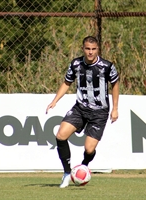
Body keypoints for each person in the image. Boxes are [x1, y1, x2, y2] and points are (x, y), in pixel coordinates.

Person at [46, 36, 120, 188]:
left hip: (99, 112)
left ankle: (83, 166)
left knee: (89, 149)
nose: (90, 52)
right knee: (60, 135)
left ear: (97, 49)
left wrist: (115, 108)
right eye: (87, 49)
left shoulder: (106, 66)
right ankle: (67, 173)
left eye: (93, 49)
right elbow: (67, 82)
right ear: (83, 48)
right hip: (80, 108)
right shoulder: (76, 64)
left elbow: (115, 85)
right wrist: (55, 101)